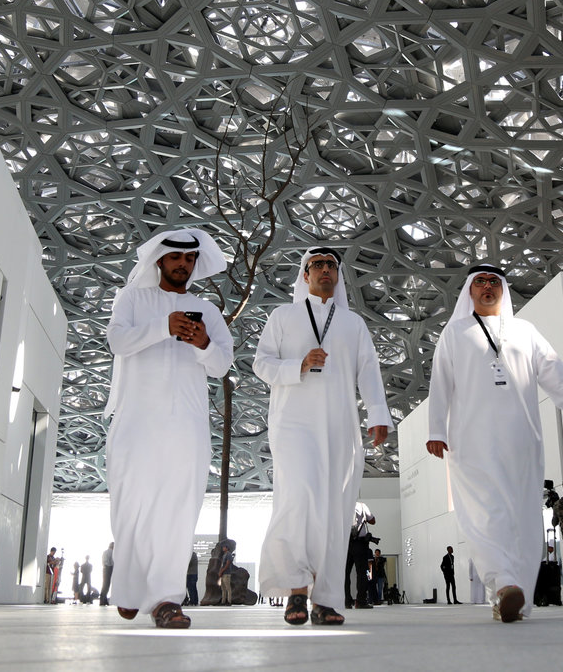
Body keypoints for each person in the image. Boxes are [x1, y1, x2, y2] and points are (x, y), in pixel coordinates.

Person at [425, 263, 563, 623]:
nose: (487, 287)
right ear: (470, 290)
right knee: (483, 513)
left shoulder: (524, 330)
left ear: (502, 289)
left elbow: (552, 368)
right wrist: (436, 429)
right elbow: (441, 382)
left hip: (521, 437)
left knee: (523, 515)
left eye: (494, 282)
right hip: (471, 439)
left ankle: (515, 597)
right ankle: (503, 582)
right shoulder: (455, 332)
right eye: (480, 282)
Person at [104, 227, 235, 629]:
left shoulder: (206, 309)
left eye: (190, 258)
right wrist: (164, 327)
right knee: (132, 506)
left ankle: (165, 599)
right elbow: (117, 342)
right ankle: (130, 590)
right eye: (176, 257)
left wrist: (203, 344)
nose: (183, 264)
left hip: (186, 424)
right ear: (159, 259)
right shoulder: (132, 298)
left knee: (179, 509)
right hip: (137, 421)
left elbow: (222, 365)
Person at [255, 247, 392, 626]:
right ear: (305, 274)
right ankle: (297, 590)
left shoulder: (352, 323)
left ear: (338, 274)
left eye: (331, 265)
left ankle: (326, 599)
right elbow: (261, 363)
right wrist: (297, 365)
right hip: (293, 423)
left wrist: (378, 414)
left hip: (339, 425)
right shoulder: (282, 316)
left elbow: (368, 370)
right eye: (317, 265)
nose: (325, 270)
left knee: (334, 510)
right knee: (297, 499)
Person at [344, 501, 376, 609]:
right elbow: (372, 521)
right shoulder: (361, 505)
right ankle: (361, 601)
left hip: (345, 544)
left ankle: (346, 601)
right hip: (360, 543)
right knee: (362, 573)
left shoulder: (338, 504)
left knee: (344, 573)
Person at [217, 540, 235, 605]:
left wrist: (222, 571)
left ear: (227, 548)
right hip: (223, 574)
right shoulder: (224, 555)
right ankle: (223, 601)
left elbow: (227, 564)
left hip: (226, 573)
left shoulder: (228, 554)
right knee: (223, 588)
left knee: (228, 588)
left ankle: (229, 601)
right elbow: (223, 564)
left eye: (224, 547)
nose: (223, 548)